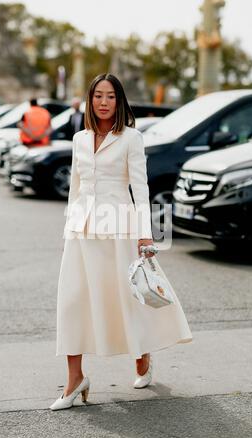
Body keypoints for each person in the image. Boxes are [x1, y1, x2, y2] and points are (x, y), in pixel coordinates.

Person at [50, 73, 192, 411]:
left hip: (120, 228)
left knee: (127, 299)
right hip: (83, 230)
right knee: (72, 301)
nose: (103, 102)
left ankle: (142, 353)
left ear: (119, 101)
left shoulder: (131, 138)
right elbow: (76, 186)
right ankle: (75, 379)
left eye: (110, 96)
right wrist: (69, 226)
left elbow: (140, 188)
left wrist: (145, 232)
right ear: (90, 100)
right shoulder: (80, 139)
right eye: (98, 95)